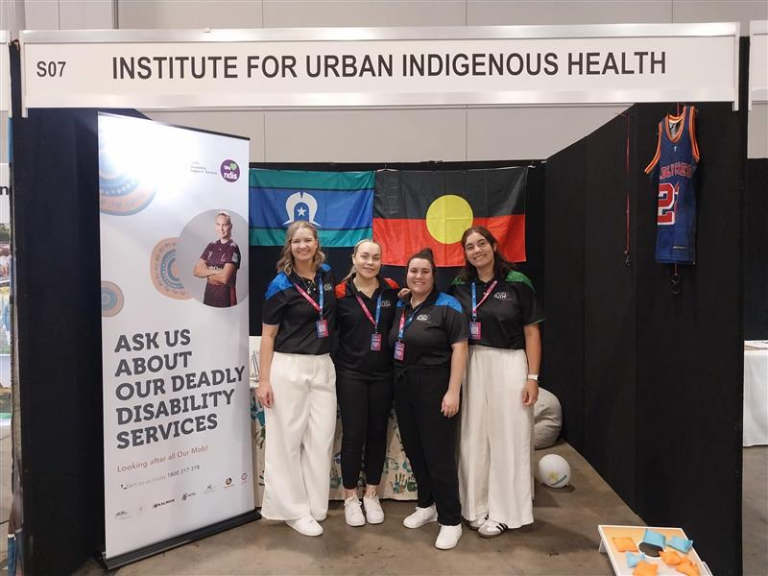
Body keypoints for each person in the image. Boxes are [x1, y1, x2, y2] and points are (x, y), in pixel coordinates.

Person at [449, 226, 543, 538]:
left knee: (508, 437)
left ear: (493, 245)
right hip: (472, 362)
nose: (476, 251)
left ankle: (505, 512)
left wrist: (532, 378)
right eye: (470, 247)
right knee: (472, 435)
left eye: (481, 244)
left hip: (509, 362)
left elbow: (532, 332)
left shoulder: (518, 282)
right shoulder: (460, 285)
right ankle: (474, 507)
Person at [257, 221, 337, 537]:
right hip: (288, 366)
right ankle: (291, 509)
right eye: (296, 241)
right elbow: (268, 335)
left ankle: (315, 505)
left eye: (308, 240)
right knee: (286, 441)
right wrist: (264, 381)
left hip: (322, 365)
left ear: (317, 243)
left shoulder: (327, 275)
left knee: (321, 438)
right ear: (289, 246)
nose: (302, 246)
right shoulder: (280, 286)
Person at [388, 248, 468, 550]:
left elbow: (460, 349)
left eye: (424, 271)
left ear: (434, 275)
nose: (418, 276)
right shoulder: (403, 303)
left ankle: (451, 520)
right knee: (415, 449)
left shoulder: (448, 306)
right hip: (404, 383)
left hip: (435, 384)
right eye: (413, 271)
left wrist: (452, 391)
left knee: (439, 455)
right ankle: (427, 505)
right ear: (406, 275)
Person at [334, 239, 399, 527]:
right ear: (354, 258)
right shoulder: (339, 293)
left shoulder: (393, 290)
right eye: (364, 256)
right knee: (353, 435)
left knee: (376, 433)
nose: (369, 262)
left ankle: (371, 494)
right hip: (350, 373)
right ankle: (351, 497)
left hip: (383, 374)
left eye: (375, 257)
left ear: (381, 261)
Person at [193, 211, 241, 307]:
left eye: (224, 225)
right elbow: (196, 271)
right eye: (218, 224)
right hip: (208, 296)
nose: (221, 229)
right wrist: (216, 271)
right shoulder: (211, 245)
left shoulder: (232, 248)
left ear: (230, 226)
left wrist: (206, 272)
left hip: (225, 298)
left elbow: (224, 278)